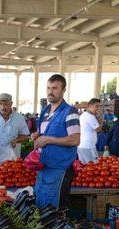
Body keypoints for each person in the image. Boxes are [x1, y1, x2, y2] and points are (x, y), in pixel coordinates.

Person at [33, 74, 80, 208]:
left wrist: (48, 139)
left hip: (59, 168)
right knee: (41, 206)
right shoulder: (45, 111)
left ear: (63, 90)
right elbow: (45, 132)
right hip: (43, 167)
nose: (50, 92)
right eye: (48, 88)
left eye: (54, 88)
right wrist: (38, 135)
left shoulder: (70, 112)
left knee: (54, 211)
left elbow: (75, 140)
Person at [0, 93, 30, 166]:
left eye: (6, 104)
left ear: (11, 104)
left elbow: (25, 135)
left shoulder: (19, 118)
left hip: (12, 160)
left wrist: (16, 140)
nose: (3, 107)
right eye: (0, 104)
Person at [77, 98, 102, 163]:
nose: (98, 108)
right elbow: (98, 129)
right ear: (90, 106)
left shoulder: (83, 115)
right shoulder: (90, 116)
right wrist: (100, 117)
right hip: (88, 146)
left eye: (99, 106)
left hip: (82, 145)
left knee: (83, 166)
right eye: (96, 106)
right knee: (92, 167)